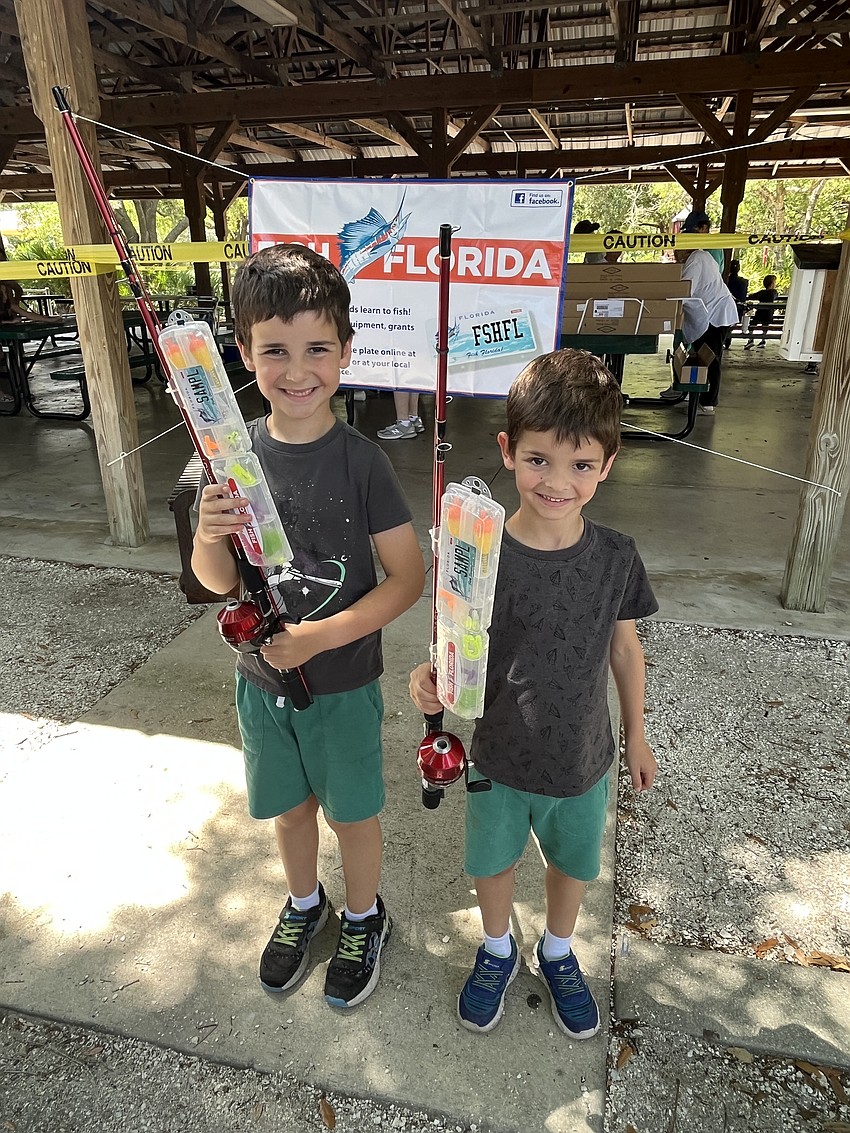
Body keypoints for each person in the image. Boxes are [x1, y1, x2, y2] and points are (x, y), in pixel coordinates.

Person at [192, 244, 425, 1009]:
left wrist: (323, 637)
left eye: (318, 348)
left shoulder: (364, 464)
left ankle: (364, 915)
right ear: (243, 353)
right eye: (275, 350)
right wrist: (207, 531)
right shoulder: (227, 462)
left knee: (352, 814)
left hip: (343, 684)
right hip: (261, 685)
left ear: (348, 351)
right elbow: (217, 584)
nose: (298, 370)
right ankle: (303, 903)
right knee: (290, 811)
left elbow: (407, 578)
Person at [409, 349, 658, 1039]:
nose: (557, 480)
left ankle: (555, 948)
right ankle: (496, 947)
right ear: (507, 451)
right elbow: (453, 646)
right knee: (492, 861)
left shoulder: (617, 555)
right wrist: (431, 681)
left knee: (574, 864)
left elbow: (624, 646)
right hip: (497, 754)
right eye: (538, 459)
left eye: (581, 464)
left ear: (607, 464)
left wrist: (635, 730)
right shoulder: (476, 550)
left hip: (583, 758)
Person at [660, 244, 738, 414]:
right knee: (698, 353)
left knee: (710, 356)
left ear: (685, 248)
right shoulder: (700, 257)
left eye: (676, 251)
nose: (675, 255)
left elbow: (685, 288)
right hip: (708, 312)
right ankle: (692, 390)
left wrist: (661, 300)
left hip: (716, 314)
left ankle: (709, 401)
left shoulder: (696, 259)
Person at [744, 275, 779, 349]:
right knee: (765, 325)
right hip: (768, 313)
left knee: (752, 324)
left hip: (760, 312)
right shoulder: (774, 292)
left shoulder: (762, 292)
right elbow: (774, 297)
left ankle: (751, 339)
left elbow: (753, 296)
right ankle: (763, 340)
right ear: (772, 284)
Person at [725, 260, 749, 348]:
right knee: (731, 325)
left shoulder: (725, 281)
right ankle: (727, 341)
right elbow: (743, 297)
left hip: (727, 306)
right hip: (738, 307)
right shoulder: (743, 282)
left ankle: (726, 341)